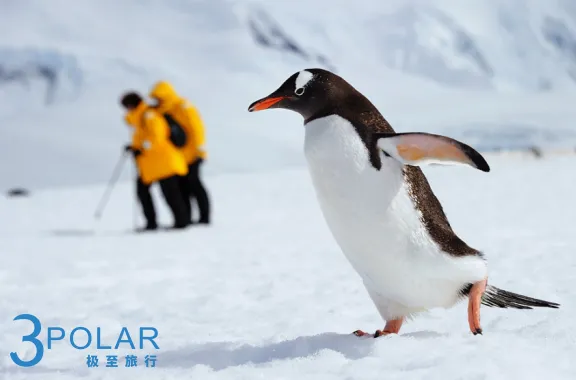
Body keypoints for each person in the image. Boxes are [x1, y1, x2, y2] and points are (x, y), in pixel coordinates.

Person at [120, 91, 190, 230]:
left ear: (131, 105)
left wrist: (140, 149)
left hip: (163, 161)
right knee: (149, 192)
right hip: (153, 163)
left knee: (170, 194)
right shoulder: (141, 117)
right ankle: (156, 222)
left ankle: (180, 222)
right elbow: (144, 139)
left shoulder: (149, 115)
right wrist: (134, 147)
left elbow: (156, 137)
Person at [149, 81, 211, 225]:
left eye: (159, 98)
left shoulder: (183, 107)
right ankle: (187, 218)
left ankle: (204, 217)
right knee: (183, 187)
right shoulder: (163, 112)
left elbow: (197, 128)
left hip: (193, 154)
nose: (158, 101)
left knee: (195, 185)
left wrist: (199, 149)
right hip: (179, 157)